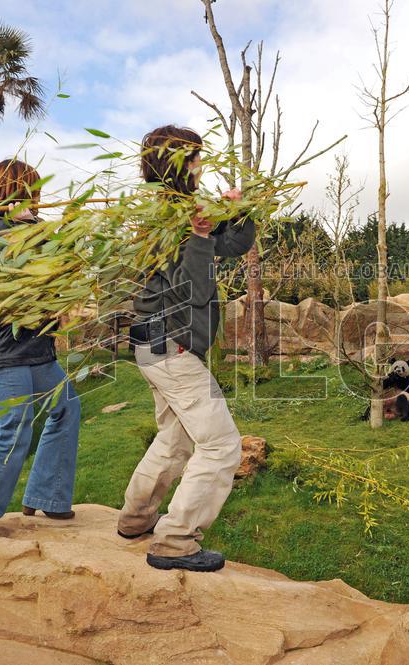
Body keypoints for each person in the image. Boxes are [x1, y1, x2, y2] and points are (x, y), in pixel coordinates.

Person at [116, 125, 254, 572]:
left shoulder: (184, 208)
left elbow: (233, 244)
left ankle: (136, 518)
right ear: (177, 163)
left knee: (175, 438)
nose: (201, 165)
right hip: (170, 345)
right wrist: (199, 237)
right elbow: (193, 289)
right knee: (221, 445)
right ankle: (175, 540)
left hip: (156, 344)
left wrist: (239, 211)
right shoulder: (165, 217)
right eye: (195, 158)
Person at [0, 158, 81, 536]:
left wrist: (68, 230)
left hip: (34, 348)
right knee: (14, 430)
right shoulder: (3, 233)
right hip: (5, 350)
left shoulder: (30, 229)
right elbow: (45, 262)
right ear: (16, 192)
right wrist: (67, 230)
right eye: (32, 190)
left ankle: (48, 496)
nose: (38, 197)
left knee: (67, 407)